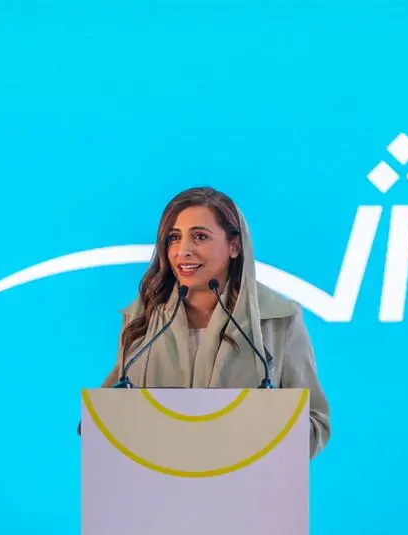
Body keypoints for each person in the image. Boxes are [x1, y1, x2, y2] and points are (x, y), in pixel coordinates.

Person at [95, 186, 331, 458]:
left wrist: (264, 431)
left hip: (245, 481)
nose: (183, 251)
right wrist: (98, 426)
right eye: (174, 238)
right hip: (156, 481)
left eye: (200, 237)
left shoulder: (278, 320)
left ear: (234, 246)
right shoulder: (142, 320)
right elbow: (110, 410)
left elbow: (316, 423)